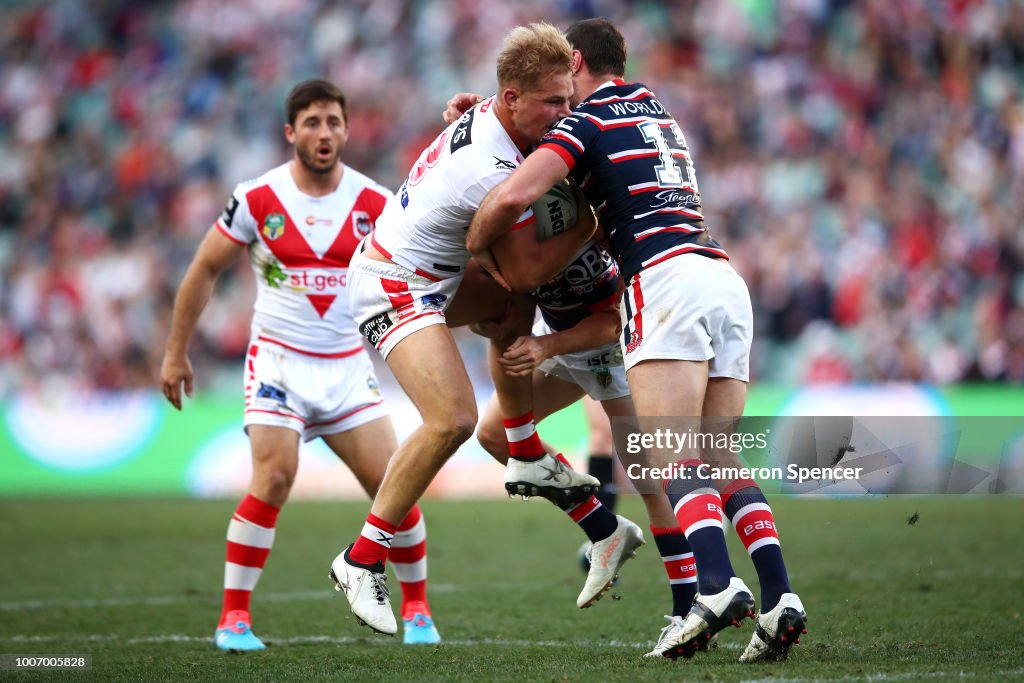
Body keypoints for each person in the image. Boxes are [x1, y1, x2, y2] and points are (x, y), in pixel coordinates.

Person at [468, 18, 807, 663]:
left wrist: (477, 243)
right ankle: (780, 596)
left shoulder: (587, 118)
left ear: (574, 62)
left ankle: (714, 587)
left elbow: (518, 191)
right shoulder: (660, 112)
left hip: (665, 278)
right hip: (722, 277)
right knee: (717, 459)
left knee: (667, 454)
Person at [328, 23, 603, 637]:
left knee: (510, 310)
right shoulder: (492, 169)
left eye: (569, 97)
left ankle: (526, 449)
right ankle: (359, 560)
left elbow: (473, 111)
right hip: (393, 280)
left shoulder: (495, 115)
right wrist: (595, 223)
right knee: (451, 418)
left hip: (435, 274)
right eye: (553, 103)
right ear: (511, 99)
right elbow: (530, 265)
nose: (567, 112)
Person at [160, 79, 440, 649]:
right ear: (291, 132)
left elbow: (418, 269)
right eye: (312, 122)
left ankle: (417, 609)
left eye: (333, 121)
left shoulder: (375, 203)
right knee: (273, 478)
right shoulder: (258, 198)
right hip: (278, 365)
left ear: (345, 129)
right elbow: (204, 268)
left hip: (345, 368)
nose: (324, 132)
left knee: (394, 486)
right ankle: (233, 619)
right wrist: (175, 351)